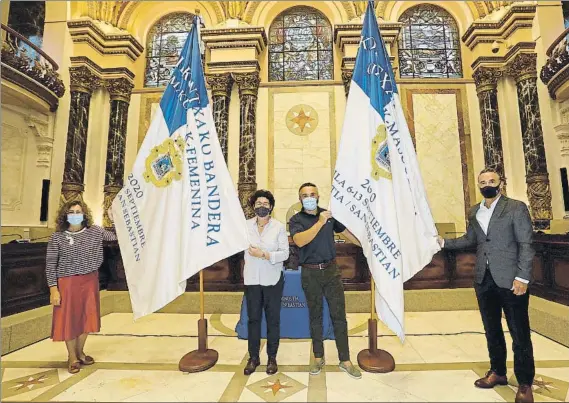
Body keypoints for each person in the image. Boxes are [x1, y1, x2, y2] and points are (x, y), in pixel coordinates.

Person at [438, 168, 535, 403]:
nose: (487, 184)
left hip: (511, 279)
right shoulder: (475, 211)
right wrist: (442, 242)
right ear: (478, 185)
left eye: (491, 180)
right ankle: (498, 372)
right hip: (484, 278)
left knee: (519, 332)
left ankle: (524, 382)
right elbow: (470, 239)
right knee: (491, 329)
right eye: (482, 182)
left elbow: (526, 244)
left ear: (501, 182)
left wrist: (522, 277)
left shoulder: (515, 207)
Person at [289, 182, 362, 379]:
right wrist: (320, 222)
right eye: (305, 195)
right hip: (310, 273)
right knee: (315, 316)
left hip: (331, 272)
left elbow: (347, 234)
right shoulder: (296, 219)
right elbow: (300, 241)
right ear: (300, 199)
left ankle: (345, 359)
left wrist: (367, 245)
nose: (310, 197)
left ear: (319, 196)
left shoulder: (329, 216)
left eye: (313, 194)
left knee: (339, 316)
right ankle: (318, 356)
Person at [46, 201, 117, 374]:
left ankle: (80, 352)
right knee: (69, 320)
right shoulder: (57, 237)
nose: (76, 214)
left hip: (89, 280)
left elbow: (116, 237)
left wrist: (116, 218)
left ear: (84, 214)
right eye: (72, 211)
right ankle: (72, 357)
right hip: (67, 283)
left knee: (87, 317)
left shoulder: (95, 231)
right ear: (65, 215)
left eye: (79, 211)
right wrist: (53, 288)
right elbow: (50, 264)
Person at [243, 190, 289, 376]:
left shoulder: (278, 227)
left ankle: (272, 357)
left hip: (272, 280)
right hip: (252, 279)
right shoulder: (244, 226)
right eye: (258, 203)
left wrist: (265, 254)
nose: (262, 206)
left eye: (265, 203)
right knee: (253, 319)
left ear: (271, 207)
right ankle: (253, 357)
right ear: (254, 206)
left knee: (272, 320)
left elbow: (285, 254)